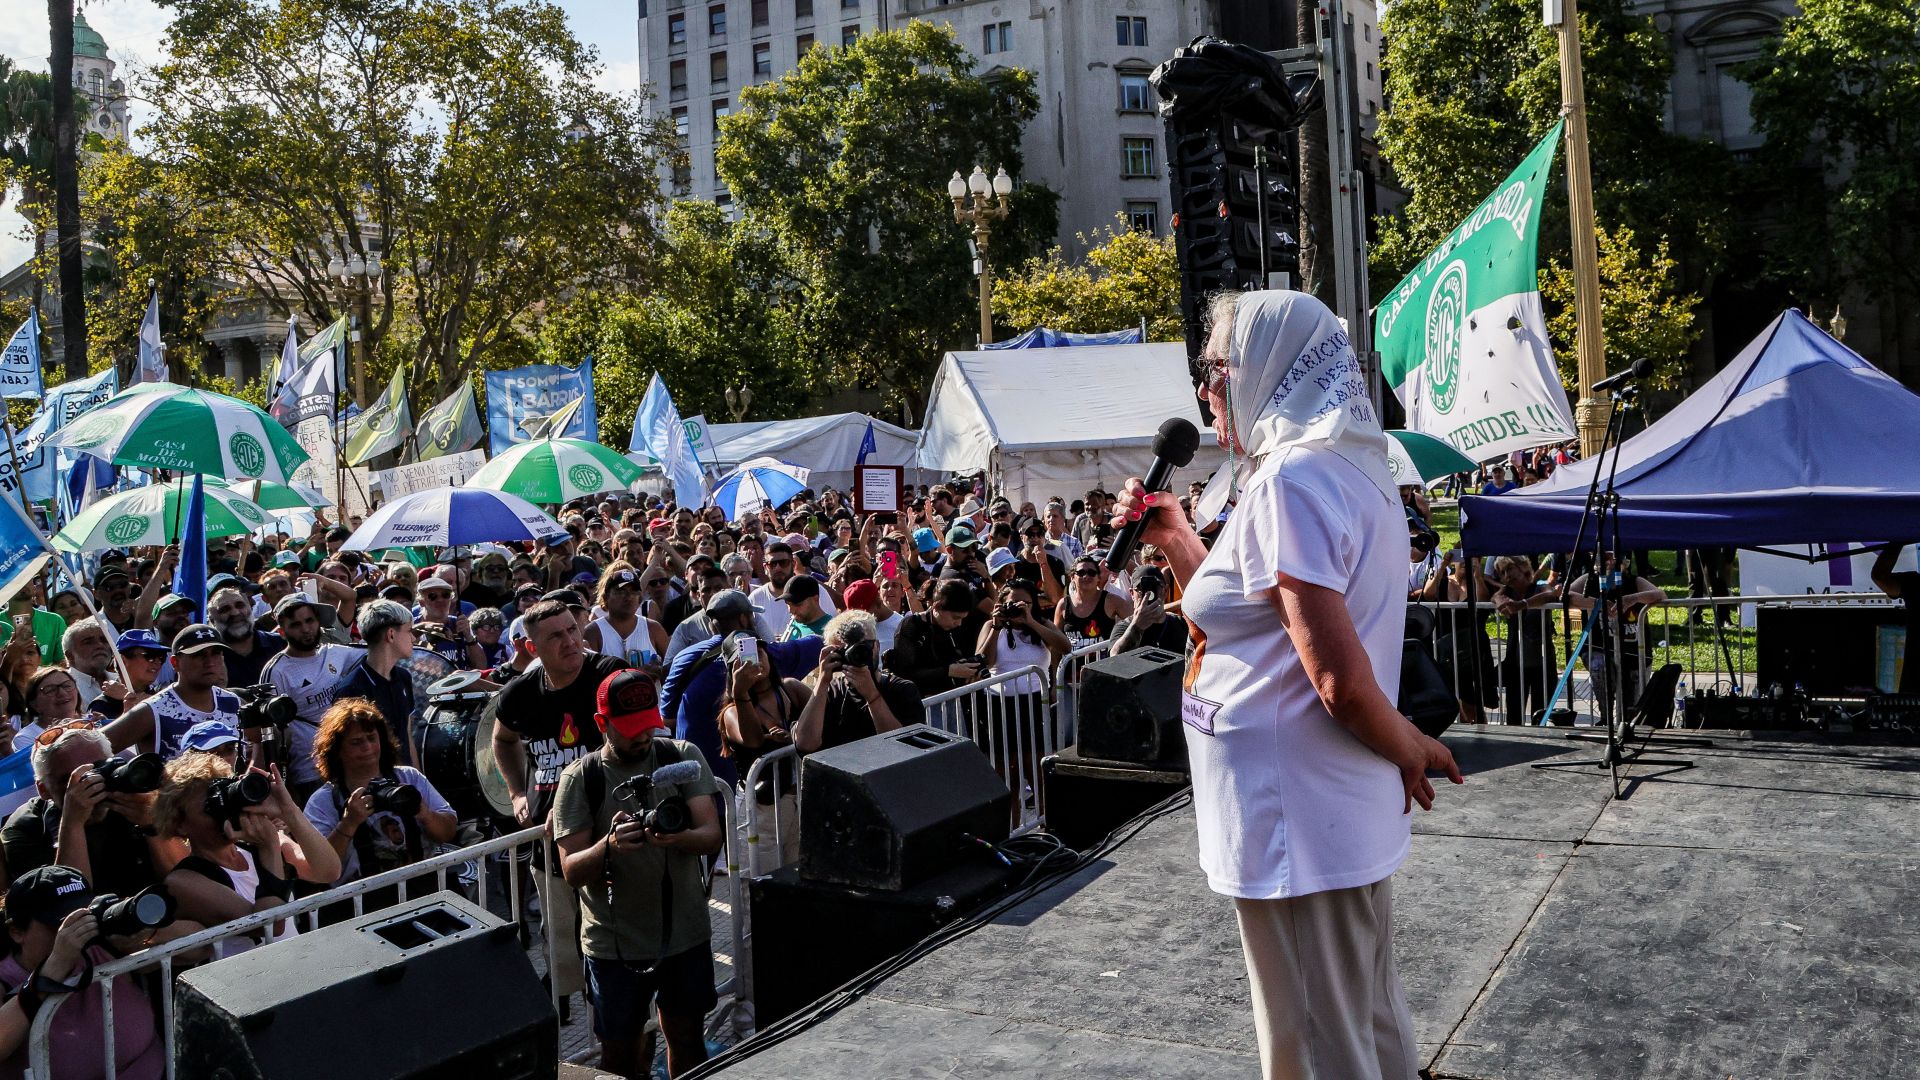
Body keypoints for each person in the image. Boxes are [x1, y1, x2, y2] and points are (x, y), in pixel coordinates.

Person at [1114, 289, 1460, 1080]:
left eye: (1214, 368)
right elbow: (1255, 617)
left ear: (1265, 366)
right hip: (1313, 806)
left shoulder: (1291, 481)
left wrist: (1411, 745)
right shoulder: (1335, 466)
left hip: (1293, 813)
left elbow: (1334, 678)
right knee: (1362, 1019)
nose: (1206, 391)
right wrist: (1176, 538)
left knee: (1311, 1038)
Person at [554, 670, 723, 1079]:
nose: (643, 737)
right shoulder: (581, 778)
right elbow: (572, 869)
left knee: (687, 1040)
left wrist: (677, 837)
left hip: (684, 931)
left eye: (648, 725)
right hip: (616, 946)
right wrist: (608, 847)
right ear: (601, 724)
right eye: (630, 730)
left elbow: (710, 834)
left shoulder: (680, 757)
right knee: (620, 1056)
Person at [488, 600, 628, 1004]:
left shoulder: (608, 675)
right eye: (556, 636)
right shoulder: (519, 694)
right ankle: (581, 1031)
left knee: (621, 942)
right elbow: (502, 739)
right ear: (532, 649)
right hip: (550, 847)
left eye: (573, 629)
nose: (571, 641)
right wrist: (516, 792)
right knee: (565, 944)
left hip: (612, 834)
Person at [154, 756, 341, 958]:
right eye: (210, 808)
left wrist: (289, 811)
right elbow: (269, 925)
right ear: (179, 824)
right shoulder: (183, 881)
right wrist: (268, 847)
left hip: (296, 970)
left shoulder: (256, 846)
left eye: (225, 802)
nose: (222, 814)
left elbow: (328, 871)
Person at [0, 865, 165, 1080]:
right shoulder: (5, 978)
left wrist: (143, 930)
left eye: (84, 917)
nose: (78, 930)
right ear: (17, 932)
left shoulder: (102, 949)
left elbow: (199, 947)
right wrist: (53, 969)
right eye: (61, 924)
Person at [302, 699, 458, 895]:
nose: (367, 747)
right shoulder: (323, 802)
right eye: (356, 742)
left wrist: (424, 813)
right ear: (337, 751)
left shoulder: (409, 778)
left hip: (423, 889)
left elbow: (448, 832)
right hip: (359, 902)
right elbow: (320, 869)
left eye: (371, 738)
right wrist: (348, 824)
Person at [2, 723, 177, 897]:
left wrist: (152, 824)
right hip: (85, 922)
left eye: (97, 769)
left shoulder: (133, 797)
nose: (89, 784)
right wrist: (73, 824)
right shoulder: (26, 826)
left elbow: (183, 879)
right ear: (43, 790)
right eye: (71, 780)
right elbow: (69, 905)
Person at [260, 594, 364, 804]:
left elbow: (377, 657)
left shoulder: (336, 653)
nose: (305, 629)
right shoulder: (277, 670)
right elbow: (271, 733)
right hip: (310, 772)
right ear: (282, 631)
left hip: (349, 762)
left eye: (309, 621)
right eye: (296, 624)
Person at [104, 625, 244, 760]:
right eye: (199, 655)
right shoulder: (155, 710)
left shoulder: (234, 703)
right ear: (175, 662)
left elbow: (258, 744)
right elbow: (92, 746)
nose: (210, 662)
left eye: (216, 653)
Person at [1565, 555, 1666, 728]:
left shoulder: (1634, 581)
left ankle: (1627, 726)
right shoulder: (1589, 580)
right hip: (1600, 648)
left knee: (1632, 707)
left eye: (1613, 558)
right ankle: (1606, 717)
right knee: (1599, 667)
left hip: (1634, 652)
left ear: (1624, 561)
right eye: (1603, 558)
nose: (1609, 562)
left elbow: (1660, 595)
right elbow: (1565, 595)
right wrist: (1596, 603)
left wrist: (1632, 599)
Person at [330, 600, 418, 758]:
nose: (413, 638)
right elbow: (349, 754)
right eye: (409, 630)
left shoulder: (404, 678)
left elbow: (407, 736)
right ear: (391, 634)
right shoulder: (352, 691)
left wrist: (417, 780)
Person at [882, 580, 985, 697]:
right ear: (937, 606)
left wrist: (968, 674)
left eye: (962, 618)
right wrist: (948, 671)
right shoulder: (912, 625)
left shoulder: (956, 628)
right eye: (955, 617)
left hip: (951, 701)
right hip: (920, 703)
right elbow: (905, 674)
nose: (958, 623)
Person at [1489, 556, 1559, 725]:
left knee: (1541, 713)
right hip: (1515, 662)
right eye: (1502, 572)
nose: (1507, 575)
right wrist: (1498, 600)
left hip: (1542, 661)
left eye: (1510, 569)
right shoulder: (1506, 592)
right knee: (1513, 714)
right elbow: (1495, 597)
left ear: (1523, 568)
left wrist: (1523, 604)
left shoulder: (1539, 586)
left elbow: (1550, 595)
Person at [590, 566, 668, 674]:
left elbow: (671, 668)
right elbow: (590, 679)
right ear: (606, 597)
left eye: (634, 591)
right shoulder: (593, 632)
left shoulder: (654, 629)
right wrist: (638, 673)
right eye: (621, 591)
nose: (629, 596)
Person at [209, 585, 285, 688]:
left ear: (250, 607)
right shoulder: (209, 660)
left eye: (240, 605)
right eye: (225, 609)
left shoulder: (281, 643)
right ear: (212, 620)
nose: (235, 613)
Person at [1871, 543, 1920, 693]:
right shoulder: (1915, 584)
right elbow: (1880, 576)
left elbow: (1880, 576)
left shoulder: (1915, 584)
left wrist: (1899, 539)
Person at [1111, 567, 1190, 654]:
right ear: (1132, 594)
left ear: (1166, 591)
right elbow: (1115, 657)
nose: (1148, 594)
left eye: (1154, 587)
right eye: (1141, 588)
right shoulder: (1123, 627)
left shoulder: (1180, 623)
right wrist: (1137, 625)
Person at [1055, 555, 1129, 642]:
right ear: (1072, 578)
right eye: (1081, 572)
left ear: (1098, 578)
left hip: (1106, 655)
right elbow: (1056, 642)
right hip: (1073, 656)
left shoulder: (1111, 601)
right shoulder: (1063, 604)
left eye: (1091, 572)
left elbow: (1136, 624)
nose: (1086, 576)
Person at [777, 575, 832, 640]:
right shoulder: (793, 624)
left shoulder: (831, 629)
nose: (791, 611)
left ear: (815, 599)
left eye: (797, 604)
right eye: (788, 604)